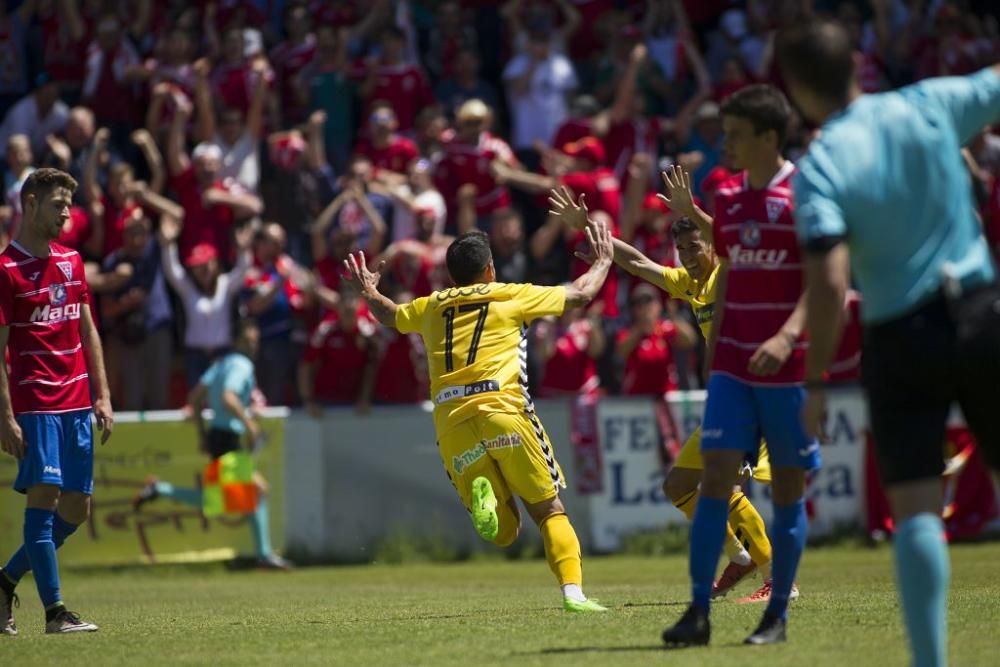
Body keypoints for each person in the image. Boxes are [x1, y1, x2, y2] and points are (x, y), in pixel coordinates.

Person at [777, 21, 1000, 667]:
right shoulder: (927, 103)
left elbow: (829, 279)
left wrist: (815, 380)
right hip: (984, 312)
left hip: (902, 334)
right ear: (857, 62)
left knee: (917, 505)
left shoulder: (819, 165)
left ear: (798, 91)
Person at [342, 197, 615, 613]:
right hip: (502, 412)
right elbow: (580, 295)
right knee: (548, 510)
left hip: (451, 423)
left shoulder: (430, 306)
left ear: (451, 275)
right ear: (490, 269)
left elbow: (389, 314)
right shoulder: (510, 295)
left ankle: (487, 498)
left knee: (504, 532)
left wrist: (369, 290)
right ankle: (573, 595)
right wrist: (603, 261)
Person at [554, 182, 778, 601]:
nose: (690, 258)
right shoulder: (690, 285)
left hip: (752, 396)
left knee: (723, 485)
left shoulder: (730, 272)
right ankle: (741, 557)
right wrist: (591, 229)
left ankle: (777, 577)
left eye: (696, 247)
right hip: (725, 401)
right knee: (678, 486)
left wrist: (692, 209)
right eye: (684, 251)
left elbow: (732, 243)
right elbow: (637, 263)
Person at [652, 84, 818, 647]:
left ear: (768, 138)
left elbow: (826, 281)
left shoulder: (806, 195)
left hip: (785, 369)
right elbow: (724, 249)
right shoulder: (729, 199)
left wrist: (792, 338)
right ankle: (699, 611)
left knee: (789, 490)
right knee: (713, 482)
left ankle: (778, 610)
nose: (726, 145)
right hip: (730, 376)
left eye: (736, 135)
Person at [0, 168, 114, 635]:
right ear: (29, 205)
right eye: (56, 205)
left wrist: (103, 394)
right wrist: (5, 415)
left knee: (76, 510)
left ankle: (5, 579)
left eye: (69, 204)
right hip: (37, 402)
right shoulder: (6, 270)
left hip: (78, 402)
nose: (66, 213)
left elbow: (87, 329)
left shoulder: (72, 261)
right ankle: (55, 613)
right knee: (44, 500)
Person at [132, 319, 291, 570]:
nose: (252, 345)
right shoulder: (242, 365)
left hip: (218, 436)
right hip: (228, 438)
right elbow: (228, 397)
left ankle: (159, 490)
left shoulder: (221, 363)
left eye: (255, 341)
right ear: (238, 341)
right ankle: (264, 555)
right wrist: (249, 425)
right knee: (256, 491)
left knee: (219, 501)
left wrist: (202, 434)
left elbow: (195, 398)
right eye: (248, 340)